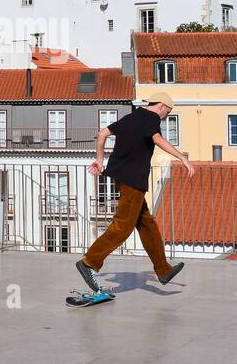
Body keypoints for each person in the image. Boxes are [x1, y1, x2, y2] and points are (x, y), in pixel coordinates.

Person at [76, 93, 194, 293]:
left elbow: (102, 134)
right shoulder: (151, 118)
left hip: (123, 178)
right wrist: (182, 158)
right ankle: (89, 262)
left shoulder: (131, 116)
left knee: (146, 223)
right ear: (162, 106)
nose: (166, 115)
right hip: (133, 180)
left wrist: (99, 159)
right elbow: (157, 139)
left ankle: (163, 270)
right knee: (123, 227)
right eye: (168, 111)